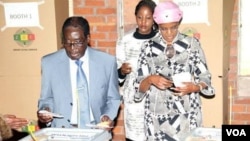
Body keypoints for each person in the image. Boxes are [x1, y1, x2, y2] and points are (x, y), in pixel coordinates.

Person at [134, 1, 215, 141]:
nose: (169, 33)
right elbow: (138, 88)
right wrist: (150, 79)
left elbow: (205, 78)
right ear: (157, 24)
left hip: (188, 116)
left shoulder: (191, 45)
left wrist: (194, 87)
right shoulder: (147, 47)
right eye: (164, 29)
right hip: (157, 120)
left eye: (174, 27)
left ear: (179, 23)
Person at [37, 16, 121, 131]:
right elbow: (46, 98)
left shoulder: (107, 62)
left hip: (96, 130)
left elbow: (113, 98)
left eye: (77, 43)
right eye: (67, 42)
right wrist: (46, 110)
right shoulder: (49, 63)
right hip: (62, 131)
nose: (72, 48)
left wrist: (107, 116)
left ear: (87, 38)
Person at [116, 0, 158, 140]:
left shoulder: (161, 40)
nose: (143, 22)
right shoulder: (125, 41)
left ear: (154, 19)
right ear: (135, 17)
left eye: (148, 18)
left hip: (157, 99)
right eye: (139, 17)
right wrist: (122, 71)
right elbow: (117, 77)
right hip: (134, 102)